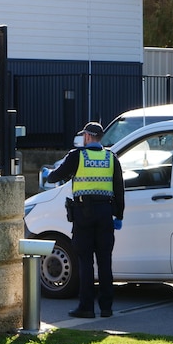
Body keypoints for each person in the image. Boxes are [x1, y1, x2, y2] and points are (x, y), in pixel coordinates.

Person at [44, 121, 125, 318]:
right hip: (105, 214)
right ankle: (106, 308)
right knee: (105, 262)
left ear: (87, 136)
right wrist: (119, 215)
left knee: (85, 262)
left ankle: (86, 307)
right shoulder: (111, 158)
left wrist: (48, 174)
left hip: (83, 215)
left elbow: (55, 177)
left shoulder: (77, 156)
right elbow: (119, 190)